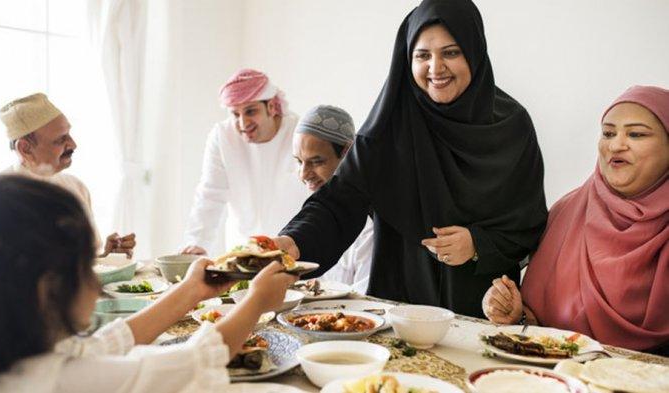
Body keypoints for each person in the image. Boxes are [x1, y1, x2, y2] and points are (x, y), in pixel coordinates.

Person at [275, 0, 547, 318]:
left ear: (474, 51)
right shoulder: (388, 127)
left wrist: (477, 245)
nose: (435, 67)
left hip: (483, 307)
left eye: (451, 52)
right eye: (422, 55)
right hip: (400, 304)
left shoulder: (511, 126)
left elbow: (528, 222)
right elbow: (339, 203)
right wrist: (294, 243)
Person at [0, 173, 297, 391]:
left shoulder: (17, 364)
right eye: (87, 268)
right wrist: (257, 301)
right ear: (47, 289)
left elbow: (105, 343)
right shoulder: (65, 382)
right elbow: (196, 360)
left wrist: (191, 290)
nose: (98, 287)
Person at [482, 85, 669, 354]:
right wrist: (513, 314)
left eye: (636, 134)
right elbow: (540, 324)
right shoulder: (567, 213)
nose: (616, 145)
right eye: (608, 133)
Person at [182, 69, 309, 256]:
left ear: (272, 107)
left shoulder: (300, 133)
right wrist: (197, 241)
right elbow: (210, 194)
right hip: (242, 252)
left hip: (296, 250)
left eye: (251, 111)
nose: (243, 124)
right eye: (235, 114)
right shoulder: (222, 136)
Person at [0, 93, 135, 257]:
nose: (73, 144)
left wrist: (107, 255)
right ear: (25, 149)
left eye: (69, 134)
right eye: (60, 139)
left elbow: (84, 261)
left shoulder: (76, 186)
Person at [292, 105, 374, 293]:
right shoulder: (308, 212)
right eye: (299, 161)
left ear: (347, 154)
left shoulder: (370, 226)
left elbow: (368, 301)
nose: (304, 174)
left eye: (317, 161)